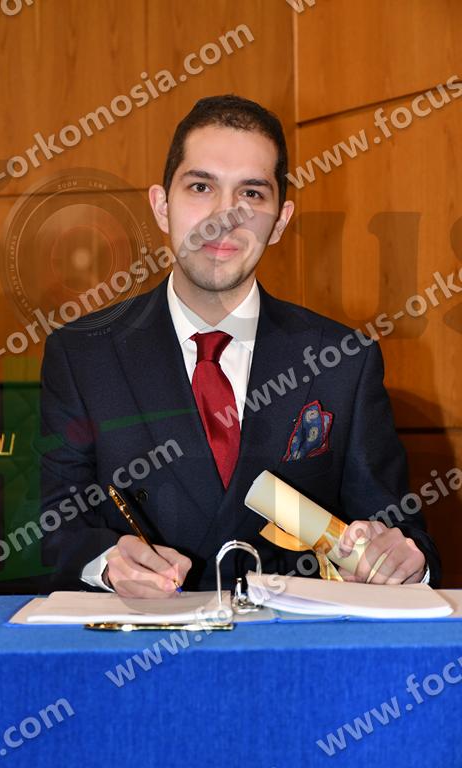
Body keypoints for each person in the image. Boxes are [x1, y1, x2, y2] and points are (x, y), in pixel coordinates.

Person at [40, 94, 441, 597]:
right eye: (201, 187)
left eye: (251, 193)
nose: (224, 217)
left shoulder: (344, 360)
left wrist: (406, 563)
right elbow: (53, 527)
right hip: (144, 634)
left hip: (290, 639)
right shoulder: (83, 354)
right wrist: (106, 562)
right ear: (162, 206)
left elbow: (400, 532)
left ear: (280, 220)